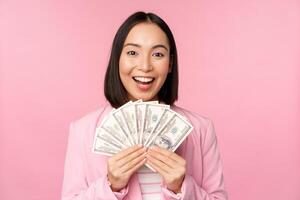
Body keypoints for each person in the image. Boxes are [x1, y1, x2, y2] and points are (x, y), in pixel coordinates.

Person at [62, 11, 228, 200]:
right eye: (133, 52)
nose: (145, 66)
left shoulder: (201, 130)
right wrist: (111, 186)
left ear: (170, 63)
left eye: (158, 54)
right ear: (118, 59)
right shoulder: (83, 130)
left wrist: (180, 187)